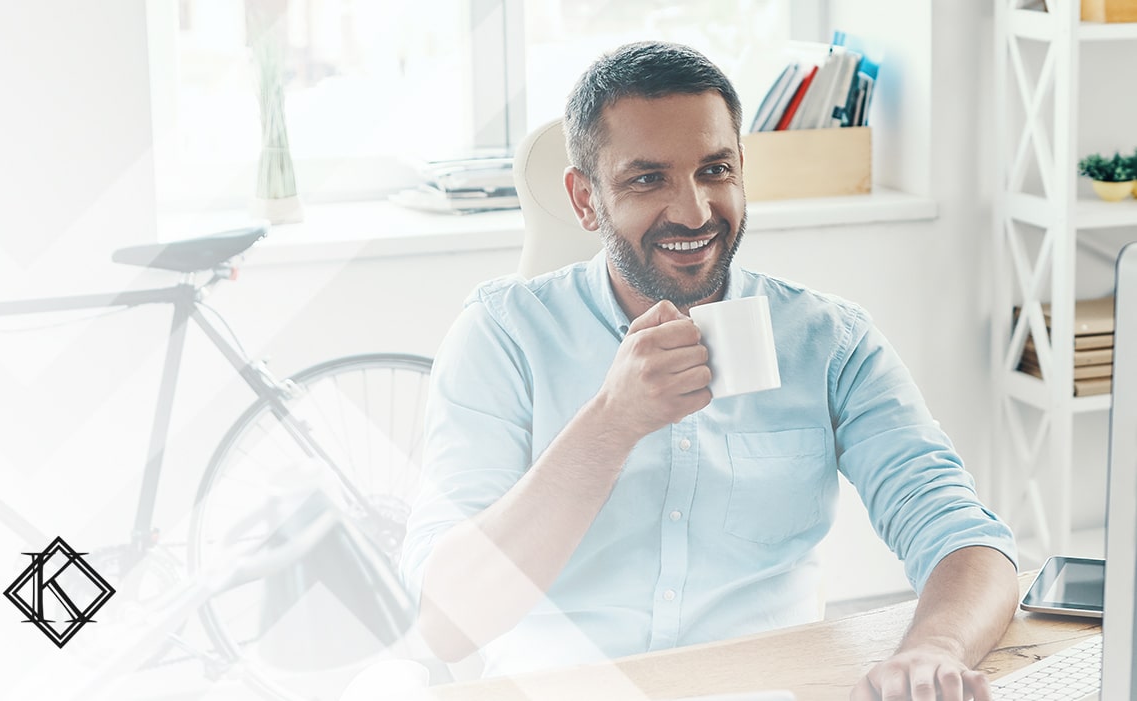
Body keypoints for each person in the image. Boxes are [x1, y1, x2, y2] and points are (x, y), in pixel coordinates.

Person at [400, 41, 1019, 700]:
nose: (694, 211)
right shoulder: (504, 335)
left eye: (715, 170)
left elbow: (967, 538)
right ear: (585, 199)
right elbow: (445, 624)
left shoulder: (828, 341)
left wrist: (933, 650)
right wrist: (611, 422)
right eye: (648, 178)